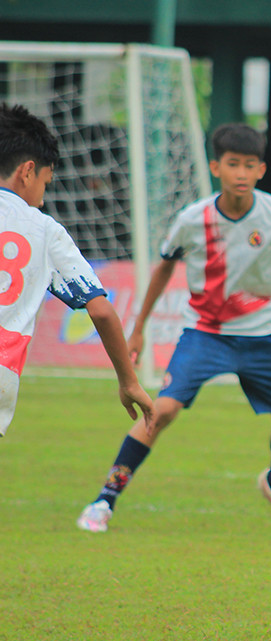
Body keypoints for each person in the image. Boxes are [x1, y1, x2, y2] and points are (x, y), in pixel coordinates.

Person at [76, 123, 271, 533]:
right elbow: (164, 268)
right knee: (162, 410)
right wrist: (138, 327)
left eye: (249, 165)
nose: (241, 173)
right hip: (205, 334)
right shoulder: (193, 218)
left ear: (261, 170)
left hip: (260, 337)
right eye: (232, 164)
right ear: (216, 167)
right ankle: (105, 499)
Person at [0, 103, 153, 437]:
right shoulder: (43, 229)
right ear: (27, 171)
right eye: (46, 183)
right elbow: (101, 311)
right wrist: (129, 382)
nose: (42, 199)